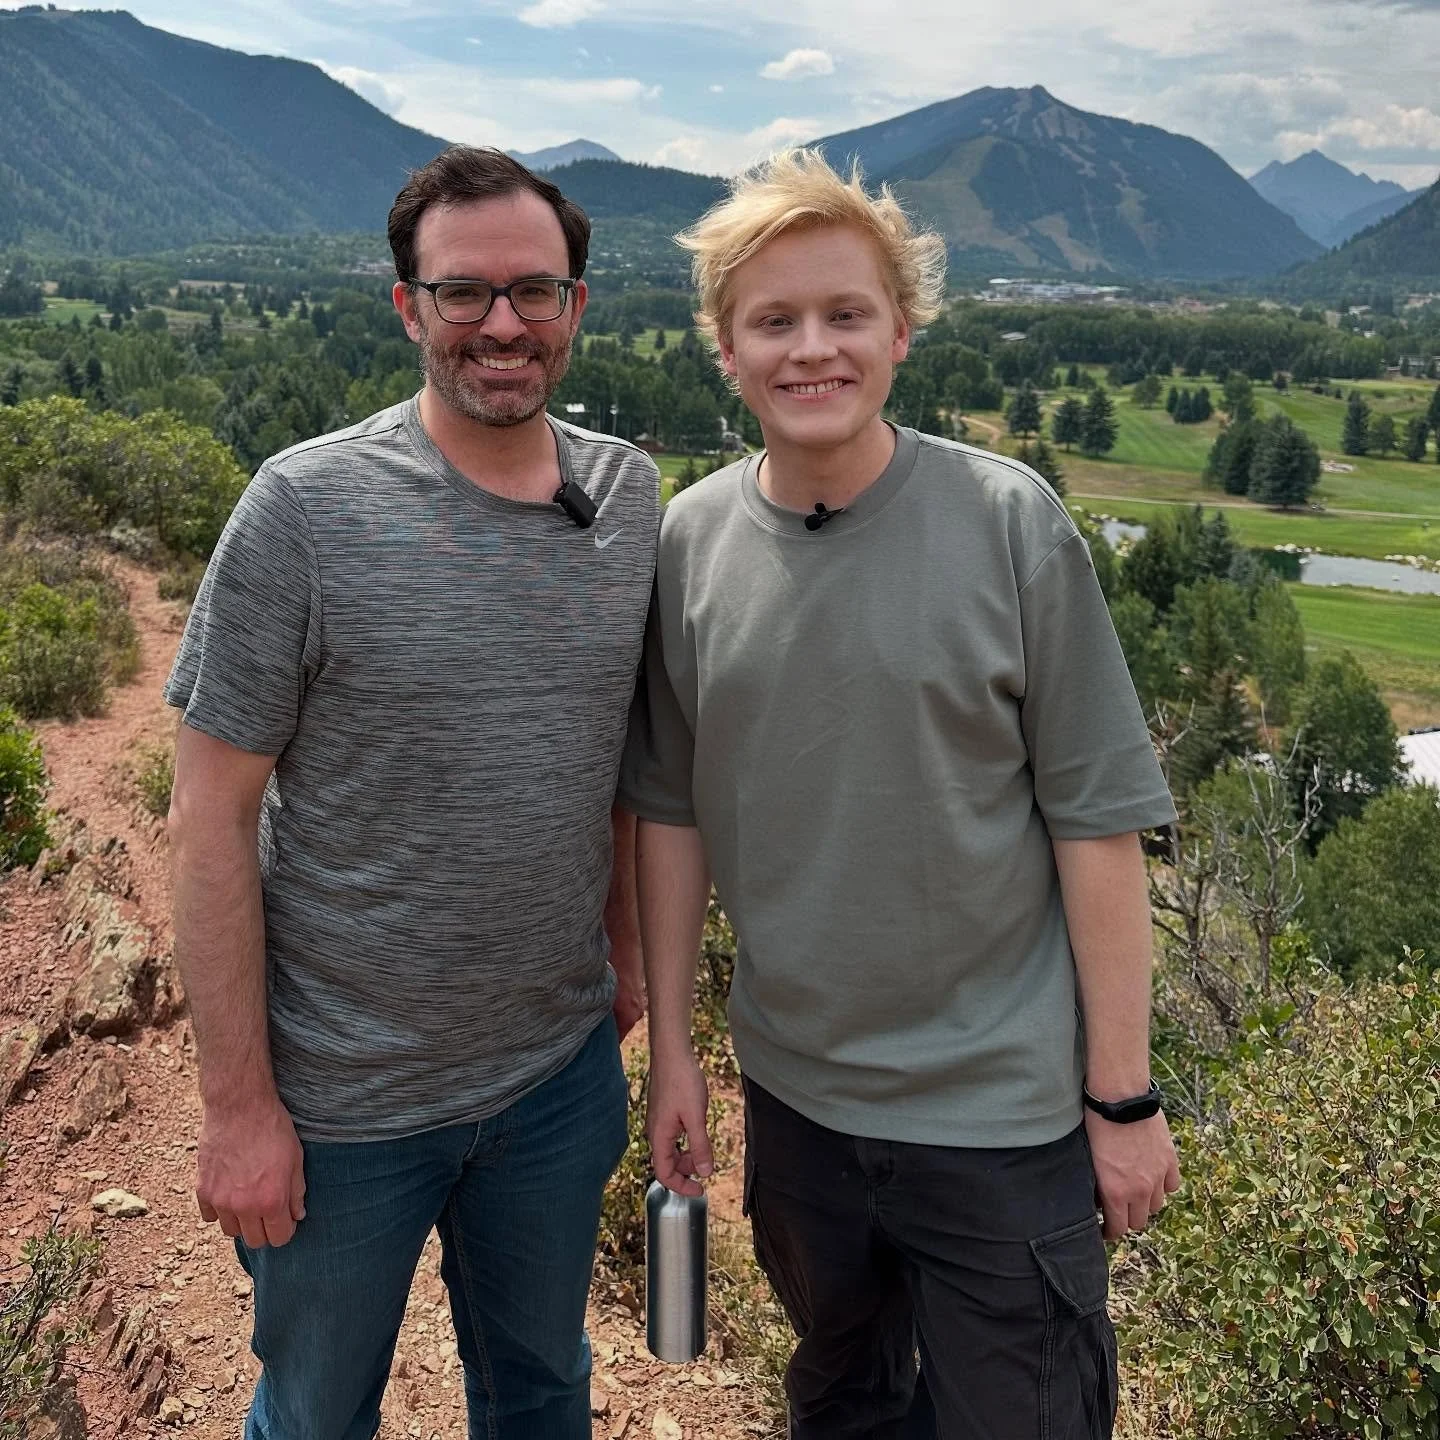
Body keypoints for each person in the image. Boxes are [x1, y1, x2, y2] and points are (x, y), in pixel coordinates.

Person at [620, 149, 1181, 1439]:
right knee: (843, 1400)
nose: (811, 348)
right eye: (774, 320)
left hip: (1003, 1123)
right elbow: (671, 811)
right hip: (798, 1108)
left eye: (845, 314)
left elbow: (1098, 827)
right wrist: (678, 1059)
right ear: (726, 350)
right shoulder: (690, 542)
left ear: (901, 334)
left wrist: (1125, 1099)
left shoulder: (1009, 525)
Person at [165, 146, 658, 1440]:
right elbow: (208, 819)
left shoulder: (630, 500)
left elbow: (624, 760)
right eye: (464, 293)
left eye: (534, 291)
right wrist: (236, 1109)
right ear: (407, 307)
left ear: (577, 308)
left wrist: (628, 964)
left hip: (557, 1082)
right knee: (319, 1414)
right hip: (340, 1110)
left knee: (543, 1390)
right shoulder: (303, 511)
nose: (503, 324)